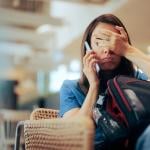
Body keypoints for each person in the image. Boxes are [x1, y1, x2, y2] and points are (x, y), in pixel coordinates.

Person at [59, 14, 149, 149]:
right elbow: (74, 134)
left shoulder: (137, 80)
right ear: (88, 48)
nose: (107, 49)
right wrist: (94, 85)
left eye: (113, 41)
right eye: (100, 41)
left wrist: (127, 50)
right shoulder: (71, 88)